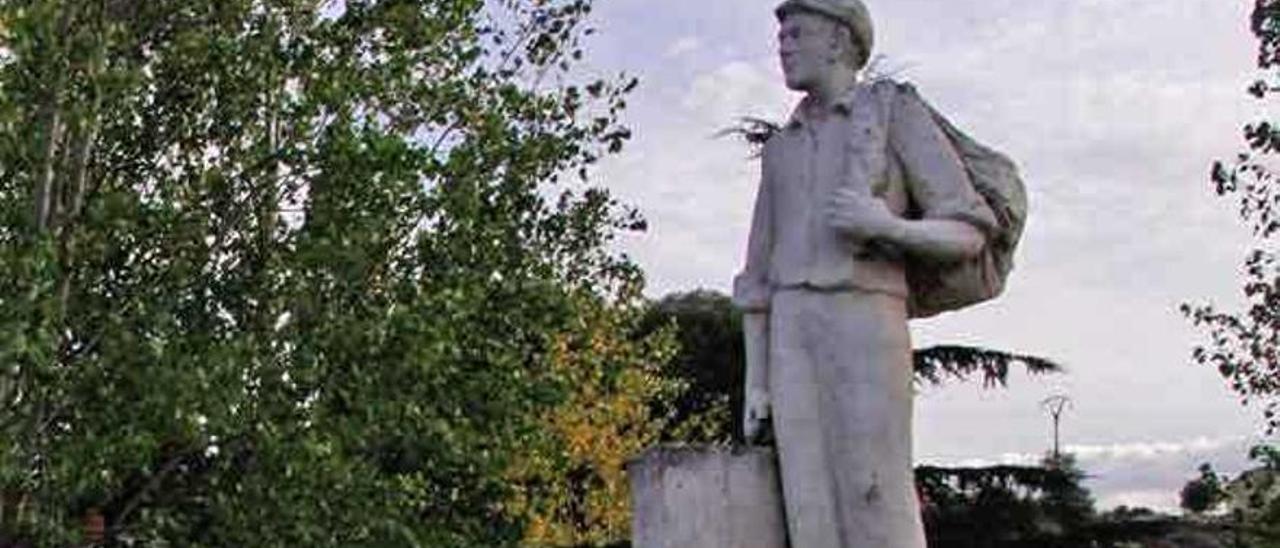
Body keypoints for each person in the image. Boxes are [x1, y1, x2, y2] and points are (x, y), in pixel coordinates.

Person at [734, 0, 999, 545]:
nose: (781, 45)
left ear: (839, 39)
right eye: (779, 34)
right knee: (809, 505)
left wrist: (885, 226)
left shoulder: (891, 113)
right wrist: (755, 381)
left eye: (796, 32)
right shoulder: (780, 148)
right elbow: (756, 280)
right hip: (790, 329)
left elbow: (969, 231)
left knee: (874, 491)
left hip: (864, 315)